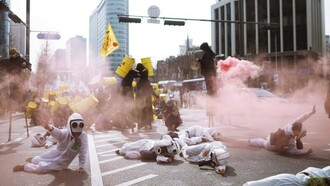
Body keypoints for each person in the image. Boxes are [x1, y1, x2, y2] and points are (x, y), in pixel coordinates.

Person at [13, 113, 88, 173]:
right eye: (74, 125)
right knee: (41, 158)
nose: (77, 128)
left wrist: (81, 167)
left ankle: (25, 167)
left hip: (62, 163)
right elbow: (58, 132)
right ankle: (34, 160)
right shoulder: (65, 132)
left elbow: (83, 152)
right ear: (69, 124)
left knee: (43, 167)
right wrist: (49, 127)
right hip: (54, 153)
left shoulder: (83, 136)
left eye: (80, 125)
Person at [248, 105, 316, 155]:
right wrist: (305, 152)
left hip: (273, 136)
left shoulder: (291, 124)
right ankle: (251, 142)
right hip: (272, 146)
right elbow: (294, 151)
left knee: (264, 141)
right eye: (300, 133)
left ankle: (251, 141)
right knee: (263, 143)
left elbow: (301, 118)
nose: (300, 134)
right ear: (296, 131)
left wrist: (310, 113)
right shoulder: (290, 138)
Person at [115, 134, 181, 163]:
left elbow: (159, 158)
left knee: (129, 154)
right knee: (130, 146)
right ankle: (121, 151)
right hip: (147, 143)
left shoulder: (166, 154)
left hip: (145, 151)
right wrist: (168, 143)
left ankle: (122, 152)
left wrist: (167, 159)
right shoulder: (167, 140)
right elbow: (164, 137)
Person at [135, 63, 157, 130]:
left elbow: (144, 72)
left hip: (145, 93)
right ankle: (143, 124)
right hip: (144, 93)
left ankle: (148, 123)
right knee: (143, 109)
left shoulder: (145, 71)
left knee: (148, 108)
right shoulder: (141, 78)